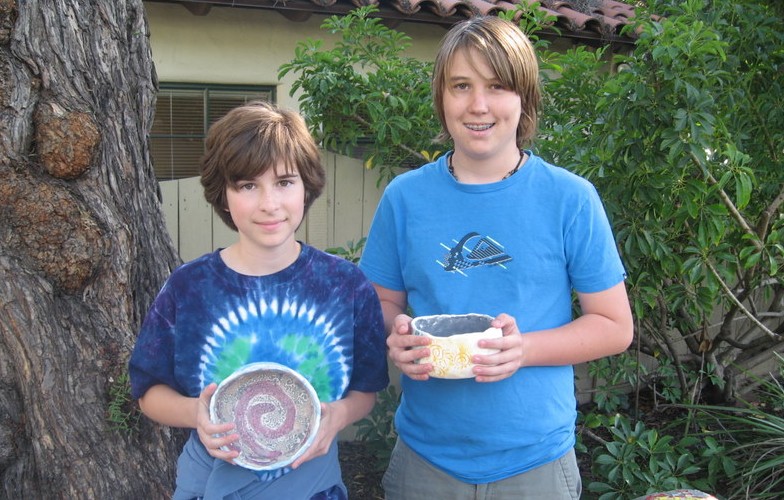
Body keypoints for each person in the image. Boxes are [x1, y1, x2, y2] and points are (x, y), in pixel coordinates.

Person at [358, 16, 634, 499]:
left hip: (536, 462)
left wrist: (523, 350)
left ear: (524, 97)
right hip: (426, 461)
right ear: (441, 96)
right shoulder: (404, 198)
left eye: (498, 86)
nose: (478, 105)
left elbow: (614, 326)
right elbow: (380, 304)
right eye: (461, 85)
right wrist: (395, 336)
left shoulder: (570, 199)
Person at [129, 101, 389, 500]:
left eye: (284, 182)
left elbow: (365, 391)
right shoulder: (189, 288)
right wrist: (195, 414)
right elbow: (149, 392)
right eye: (248, 185)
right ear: (223, 194)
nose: (269, 203)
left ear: (306, 186)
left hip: (315, 489)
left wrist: (339, 415)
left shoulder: (345, 286)